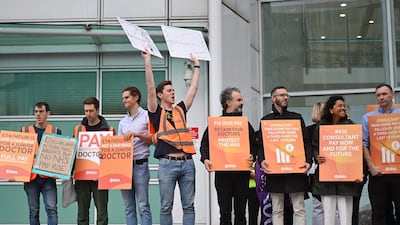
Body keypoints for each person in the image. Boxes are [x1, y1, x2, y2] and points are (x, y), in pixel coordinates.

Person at [142, 49, 200, 225]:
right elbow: (151, 87)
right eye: (169, 91)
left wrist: (197, 65)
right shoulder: (155, 111)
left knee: (189, 206)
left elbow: (193, 89)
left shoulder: (180, 109)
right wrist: (147, 61)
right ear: (161, 95)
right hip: (167, 164)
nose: (173, 93)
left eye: (173, 90)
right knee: (166, 206)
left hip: (188, 163)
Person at [199, 87, 257, 225]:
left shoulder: (245, 125)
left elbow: (255, 146)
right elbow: (205, 145)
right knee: (225, 213)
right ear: (228, 102)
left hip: (242, 174)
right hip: (223, 175)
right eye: (239, 100)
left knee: (241, 213)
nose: (242, 102)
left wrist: (252, 156)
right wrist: (205, 159)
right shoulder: (216, 124)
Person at [258, 86, 312, 225]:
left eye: (287, 95)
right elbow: (261, 145)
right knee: (277, 209)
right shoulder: (266, 120)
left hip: (296, 170)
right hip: (275, 171)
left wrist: (308, 161)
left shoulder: (297, 118)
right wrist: (262, 160)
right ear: (273, 98)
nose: (285, 97)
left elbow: (306, 142)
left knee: (299, 208)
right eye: (282, 95)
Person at [311, 96, 362, 225]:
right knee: (328, 215)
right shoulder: (321, 127)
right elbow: (314, 147)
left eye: (344, 106)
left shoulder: (350, 126)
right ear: (331, 109)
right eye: (339, 106)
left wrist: (358, 170)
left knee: (346, 216)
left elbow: (356, 149)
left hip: (347, 180)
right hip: (327, 180)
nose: (343, 108)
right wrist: (317, 156)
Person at [362, 83, 400, 225]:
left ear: (392, 95)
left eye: (384, 94)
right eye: (378, 95)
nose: (381, 97)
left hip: (398, 172)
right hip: (378, 172)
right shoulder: (368, 118)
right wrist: (371, 166)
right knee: (379, 212)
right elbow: (363, 144)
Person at [73, 97, 115, 225]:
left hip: (101, 177)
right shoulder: (78, 129)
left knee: (102, 214)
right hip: (82, 177)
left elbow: (114, 155)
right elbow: (72, 152)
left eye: (91, 111)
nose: (88, 114)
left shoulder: (109, 130)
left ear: (97, 110)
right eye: (85, 111)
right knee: (82, 213)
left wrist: (106, 154)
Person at [21, 102, 62, 225]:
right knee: (33, 211)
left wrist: (59, 171)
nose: (38, 114)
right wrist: (16, 173)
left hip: (48, 178)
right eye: (36, 112)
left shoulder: (55, 131)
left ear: (48, 114)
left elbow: (60, 155)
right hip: (31, 178)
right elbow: (19, 155)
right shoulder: (25, 131)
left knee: (52, 209)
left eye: (41, 111)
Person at [118, 86, 153, 225]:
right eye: (123, 98)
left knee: (143, 206)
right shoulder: (122, 122)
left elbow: (152, 140)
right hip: (124, 166)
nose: (124, 101)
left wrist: (137, 134)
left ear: (136, 97)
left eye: (126, 97)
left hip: (140, 165)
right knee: (128, 207)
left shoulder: (147, 116)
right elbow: (119, 145)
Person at [306, 102, 325, 225]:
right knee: (334, 208)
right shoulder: (331, 129)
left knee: (317, 206)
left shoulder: (308, 130)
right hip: (325, 171)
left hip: (313, 172)